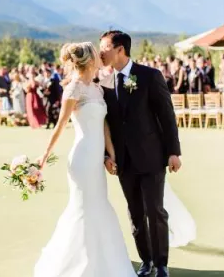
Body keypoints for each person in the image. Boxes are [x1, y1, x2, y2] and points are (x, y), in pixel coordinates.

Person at [34, 42, 137, 277]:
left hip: (96, 159)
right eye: (96, 53)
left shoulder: (97, 89)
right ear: (90, 60)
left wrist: (110, 155)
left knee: (99, 206)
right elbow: (60, 126)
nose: (101, 55)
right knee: (81, 209)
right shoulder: (74, 89)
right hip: (81, 159)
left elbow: (105, 127)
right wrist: (44, 155)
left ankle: (103, 265)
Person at [99, 31, 182, 277]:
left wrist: (173, 152)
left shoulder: (149, 76)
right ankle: (146, 261)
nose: (101, 53)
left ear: (120, 49)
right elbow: (104, 125)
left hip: (152, 156)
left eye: (104, 48)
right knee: (135, 214)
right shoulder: (102, 82)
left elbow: (167, 117)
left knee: (155, 210)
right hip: (123, 161)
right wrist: (107, 155)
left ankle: (162, 263)